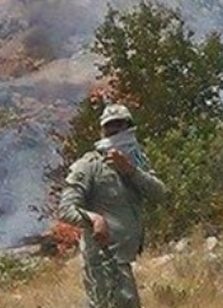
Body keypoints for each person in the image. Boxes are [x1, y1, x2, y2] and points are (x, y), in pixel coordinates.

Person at [58, 102, 168, 308]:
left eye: (120, 125)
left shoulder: (136, 161)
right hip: (103, 259)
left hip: (121, 258)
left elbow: (159, 193)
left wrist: (130, 170)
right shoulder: (90, 165)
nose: (116, 131)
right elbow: (66, 208)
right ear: (103, 131)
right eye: (110, 126)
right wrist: (93, 218)